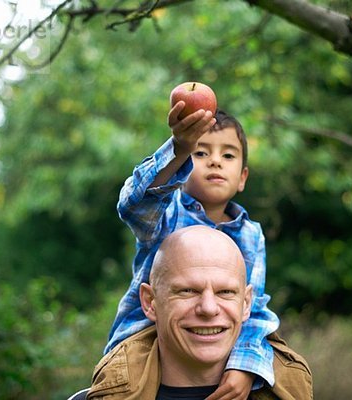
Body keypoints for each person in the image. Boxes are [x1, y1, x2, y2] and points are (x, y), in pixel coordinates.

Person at [105, 101, 280, 398]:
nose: (215, 161)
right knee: (122, 387)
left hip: (224, 335)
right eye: (201, 153)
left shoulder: (251, 235)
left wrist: (245, 365)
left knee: (289, 372)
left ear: (242, 177)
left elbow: (254, 308)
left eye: (228, 155)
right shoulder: (166, 214)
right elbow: (133, 204)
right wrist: (178, 147)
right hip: (147, 336)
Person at [87, 226, 312, 399]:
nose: (208, 308)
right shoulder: (108, 393)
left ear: (246, 304)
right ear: (150, 302)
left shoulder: (290, 390)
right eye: (187, 291)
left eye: (225, 292)